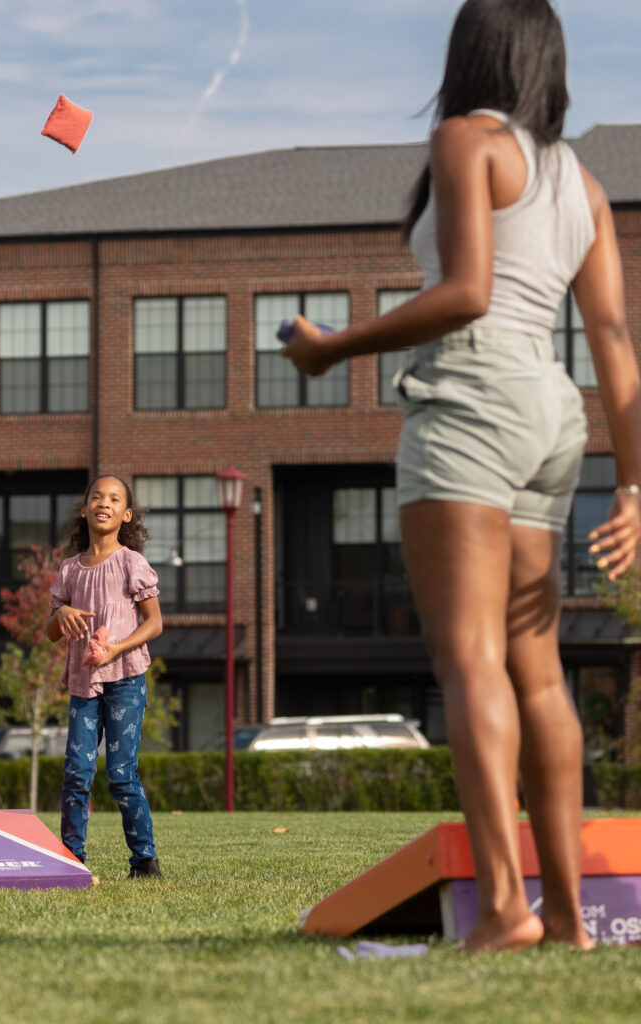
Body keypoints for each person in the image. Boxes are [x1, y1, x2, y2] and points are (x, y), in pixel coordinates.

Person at [281, 0, 641, 952]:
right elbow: (611, 340)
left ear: (471, 53)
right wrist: (636, 489)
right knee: (539, 670)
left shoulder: (463, 139)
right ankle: (567, 918)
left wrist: (332, 350)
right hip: (552, 412)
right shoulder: (585, 183)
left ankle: (509, 910)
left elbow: (466, 292)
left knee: (472, 657)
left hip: (475, 398)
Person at [46, 475, 164, 877]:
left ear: (126, 514)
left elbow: (154, 624)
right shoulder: (69, 570)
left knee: (120, 773)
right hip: (84, 686)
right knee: (77, 771)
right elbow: (48, 632)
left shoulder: (132, 562)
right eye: (97, 496)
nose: (104, 503)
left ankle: (144, 860)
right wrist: (59, 614)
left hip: (126, 679)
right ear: (84, 509)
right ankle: (71, 860)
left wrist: (116, 648)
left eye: (115, 499)